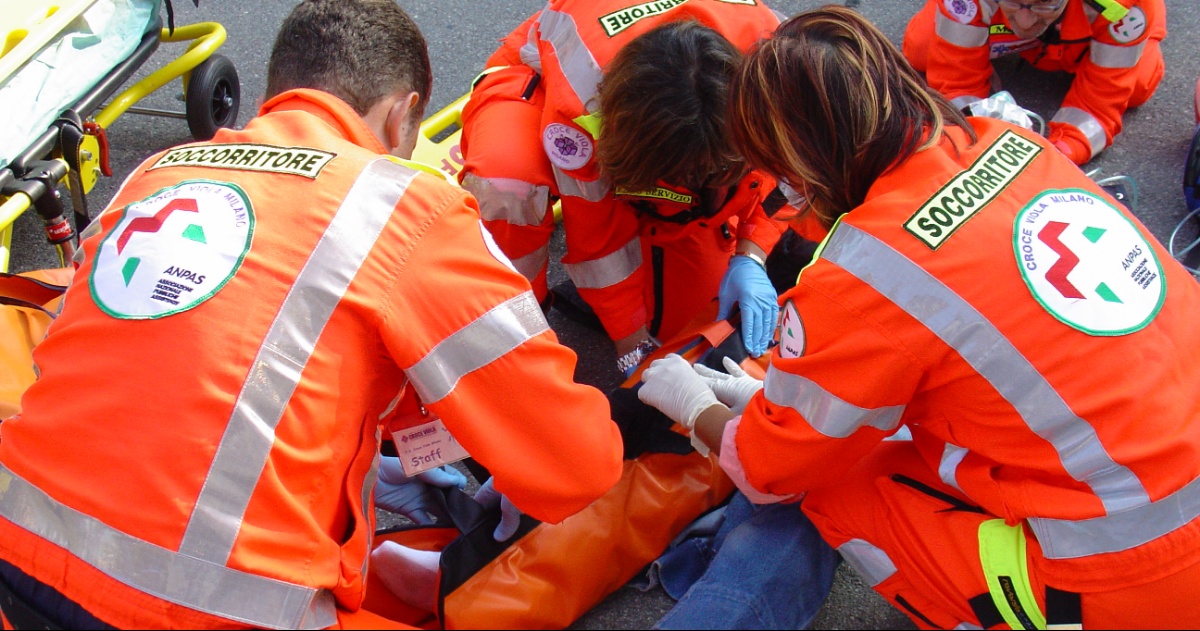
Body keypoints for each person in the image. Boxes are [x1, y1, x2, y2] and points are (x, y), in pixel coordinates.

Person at [0, 1, 624, 628]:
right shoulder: (405, 209)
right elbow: (577, 467)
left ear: (278, 91)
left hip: (14, 560)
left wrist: (382, 450)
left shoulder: (152, 177)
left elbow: (196, 355)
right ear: (401, 113)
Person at [637, 5, 1200, 629]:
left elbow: (772, 472)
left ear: (801, 159)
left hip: (1129, 577)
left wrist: (697, 407)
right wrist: (766, 401)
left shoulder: (864, 276)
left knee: (836, 480)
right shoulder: (1014, 143)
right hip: (1164, 472)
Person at [457, 0, 794, 376]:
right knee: (509, 184)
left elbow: (793, 176)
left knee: (685, 324)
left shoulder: (782, 67)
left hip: (656, 114)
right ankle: (513, 328)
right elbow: (598, 239)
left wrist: (752, 252)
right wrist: (630, 346)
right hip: (538, 79)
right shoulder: (580, 107)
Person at [902, 0, 1166, 166]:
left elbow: (1098, 108)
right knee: (921, 50)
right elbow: (955, 84)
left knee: (1138, 86)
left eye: (1043, 4)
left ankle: (1138, 34)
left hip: (1094, 21)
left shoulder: (1124, 7)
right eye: (1015, 3)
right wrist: (972, 129)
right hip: (1010, 19)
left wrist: (1060, 151)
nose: (1025, 21)